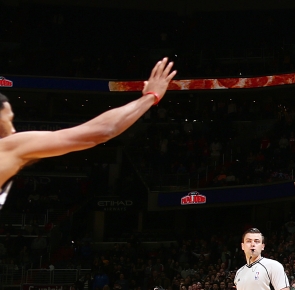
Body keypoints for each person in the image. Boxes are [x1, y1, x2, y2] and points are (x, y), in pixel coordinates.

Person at [0, 59, 175, 209]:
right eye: (8, 121)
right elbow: (101, 131)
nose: (13, 130)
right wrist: (151, 96)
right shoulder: (6, 148)